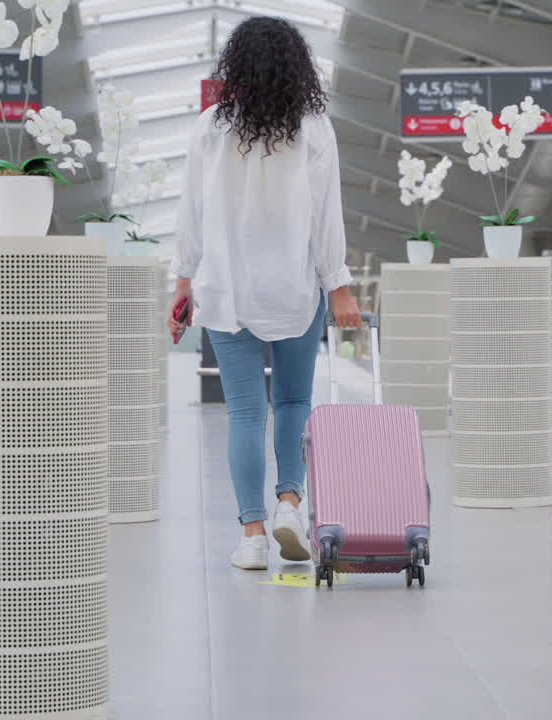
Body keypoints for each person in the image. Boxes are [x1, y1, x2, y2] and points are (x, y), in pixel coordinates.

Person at [168, 16, 362, 571]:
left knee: (247, 413)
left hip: (226, 289)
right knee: (296, 402)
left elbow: (192, 215)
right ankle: (289, 503)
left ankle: (252, 536)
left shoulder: (211, 126)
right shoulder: (314, 127)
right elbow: (328, 218)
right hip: (295, 287)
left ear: (237, 65)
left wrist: (182, 286)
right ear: (298, 67)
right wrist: (339, 285)